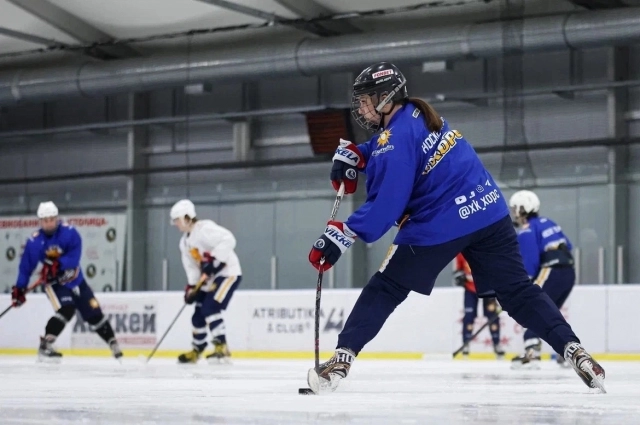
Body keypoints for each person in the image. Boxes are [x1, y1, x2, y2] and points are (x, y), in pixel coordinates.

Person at [306, 61, 605, 393]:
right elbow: (393, 149)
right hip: (489, 210)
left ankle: (341, 362)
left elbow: (386, 204)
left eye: (366, 99)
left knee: (386, 287)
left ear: (387, 97)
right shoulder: (417, 115)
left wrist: (341, 233)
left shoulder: (395, 137)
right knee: (518, 291)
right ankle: (575, 350)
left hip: (441, 222)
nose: (361, 107)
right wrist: (358, 155)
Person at [11, 202, 122, 363]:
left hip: (76, 279)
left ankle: (112, 342)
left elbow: (74, 256)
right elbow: (26, 267)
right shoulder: (35, 242)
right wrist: (20, 288)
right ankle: (46, 345)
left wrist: (59, 263)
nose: (49, 223)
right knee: (67, 309)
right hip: (54, 284)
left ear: (57, 218)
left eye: (52, 219)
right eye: (45, 220)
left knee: (93, 312)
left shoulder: (70, 233)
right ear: (40, 221)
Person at [170, 199, 242, 364]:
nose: (176, 224)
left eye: (177, 220)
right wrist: (192, 289)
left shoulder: (204, 229)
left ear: (188, 217)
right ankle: (197, 349)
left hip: (227, 273)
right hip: (208, 279)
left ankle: (221, 347)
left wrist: (214, 260)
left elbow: (229, 239)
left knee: (210, 307)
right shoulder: (184, 243)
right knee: (198, 315)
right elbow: (192, 268)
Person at [509, 190, 575, 370]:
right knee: (552, 312)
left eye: (515, 208)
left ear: (524, 208)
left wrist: (524, 284)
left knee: (533, 308)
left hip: (550, 270)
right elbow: (568, 245)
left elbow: (530, 260)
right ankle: (567, 351)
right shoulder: (549, 222)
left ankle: (531, 352)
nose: (514, 212)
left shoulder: (527, 229)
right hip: (568, 272)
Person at [453, 253, 504, 358]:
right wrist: (459, 275)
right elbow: (459, 269)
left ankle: (496, 343)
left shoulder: (486, 247)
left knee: (492, 316)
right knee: (469, 316)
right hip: (470, 288)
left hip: (487, 286)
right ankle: (466, 344)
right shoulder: (462, 251)